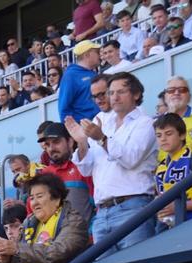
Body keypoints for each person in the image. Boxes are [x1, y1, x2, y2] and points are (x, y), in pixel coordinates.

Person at [66, 72, 157, 252]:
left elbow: (131, 158)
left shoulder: (146, 123)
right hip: (102, 212)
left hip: (134, 206)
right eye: (111, 92)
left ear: (136, 94)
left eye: (120, 92)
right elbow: (86, 169)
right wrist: (82, 143)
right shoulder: (101, 122)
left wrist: (101, 139)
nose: (113, 97)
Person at [0, 172, 91, 263]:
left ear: (57, 198)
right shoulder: (28, 224)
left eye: (39, 196)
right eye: (32, 198)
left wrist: (17, 249)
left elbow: (57, 254)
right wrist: (7, 260)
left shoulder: (73, 221)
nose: (34, 203)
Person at [57, 41, 102, 125]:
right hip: (85, 127)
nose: (100, 54)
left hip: (100, 123)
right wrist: (74, 131)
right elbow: (63, 108)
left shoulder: (93, 73)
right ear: (87, 55)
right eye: (96, 52)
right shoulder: (70, 75)